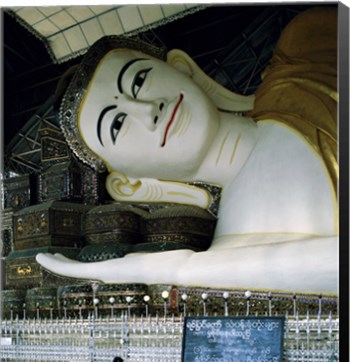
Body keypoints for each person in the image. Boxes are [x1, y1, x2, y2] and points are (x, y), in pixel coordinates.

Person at [36, 7, 338, 296]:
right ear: (132, 184)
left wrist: (184, 269)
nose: (147, 110)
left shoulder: (308, 48)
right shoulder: (240, 248)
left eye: (139, 80)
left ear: (184, 69)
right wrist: (180, 269)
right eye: (117, 125)